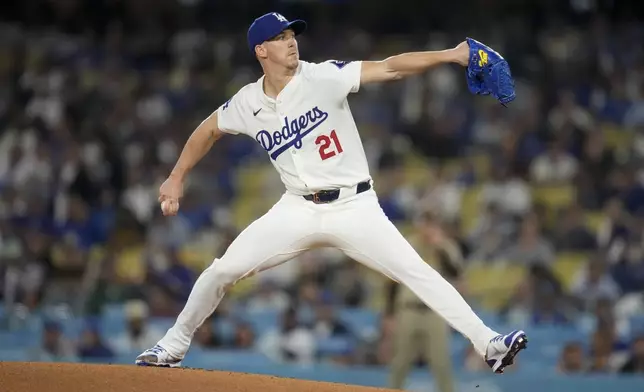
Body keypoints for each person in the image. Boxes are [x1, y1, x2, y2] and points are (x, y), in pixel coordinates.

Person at [135, 12, 527, 373]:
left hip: (355, 206)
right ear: (261, 50)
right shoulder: (247, 102)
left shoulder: (323, 76)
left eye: (292, 35)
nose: (291, 42)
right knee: (222, 270)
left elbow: (389, 68)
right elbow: (208, 130)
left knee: (416, 271)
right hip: (297, 209)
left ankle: (488, 343)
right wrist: (176, 176)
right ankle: (173, 345)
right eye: (280, 37)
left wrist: (454, 54)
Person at [387, 211, 463, 391]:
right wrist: (389, 313)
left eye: (431, 224)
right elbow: (392, 280)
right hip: (408, 309)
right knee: (400, 363)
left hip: (435, 313)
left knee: (440, 363)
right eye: (424, 224)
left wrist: (439, 249)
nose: (427, 229)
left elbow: (455, 273)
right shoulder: (407, 244)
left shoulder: (446, 247)